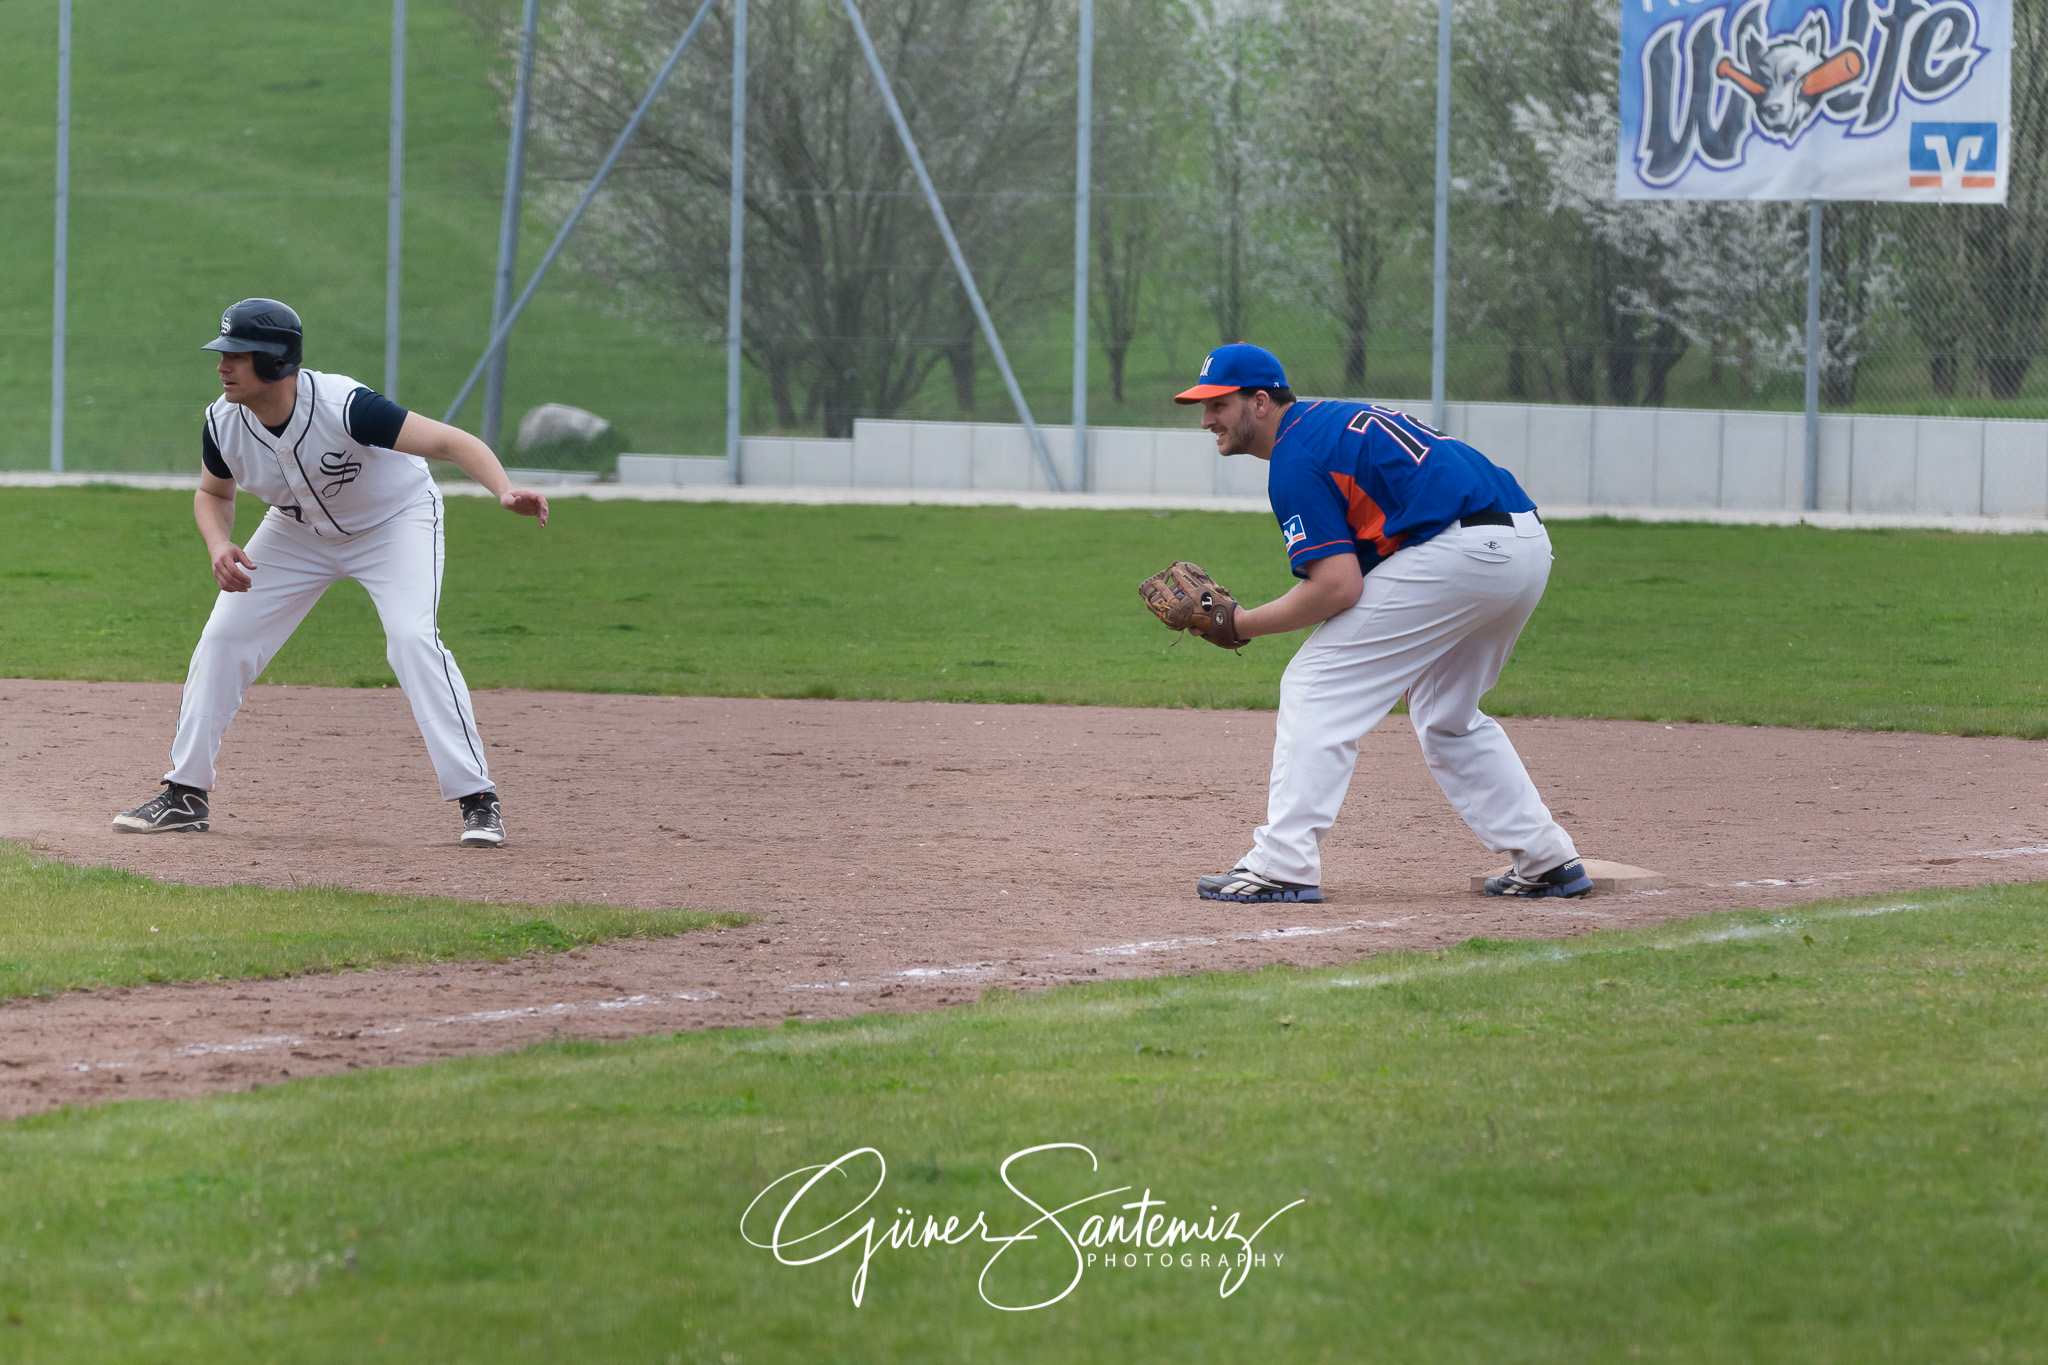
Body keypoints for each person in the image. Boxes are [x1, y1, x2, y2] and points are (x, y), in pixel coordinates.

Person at [111, 298, 548, 847]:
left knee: (412, 640)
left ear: (274, 363)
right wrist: (219, 542)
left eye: (236, 355)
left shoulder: (345, 405)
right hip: (297, 532)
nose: (221, 365)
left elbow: (449, 443)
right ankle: (185, 795)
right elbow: (212, 492)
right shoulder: (223, 422)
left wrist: (503, 490)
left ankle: (478, 799)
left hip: (395, 522)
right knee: (224, 637)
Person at [1176, 343, 1590, 904]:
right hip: (1525, 544)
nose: (1206, 419)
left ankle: (1283, 864)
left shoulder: (1296, 457)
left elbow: (1337, 587)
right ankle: (1547, 859)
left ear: (1262, 401)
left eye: (1219, 404)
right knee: (1447, 715)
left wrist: (1238, 622)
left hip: (1461, 552)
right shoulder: (1329, 425)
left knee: (1315, 684)